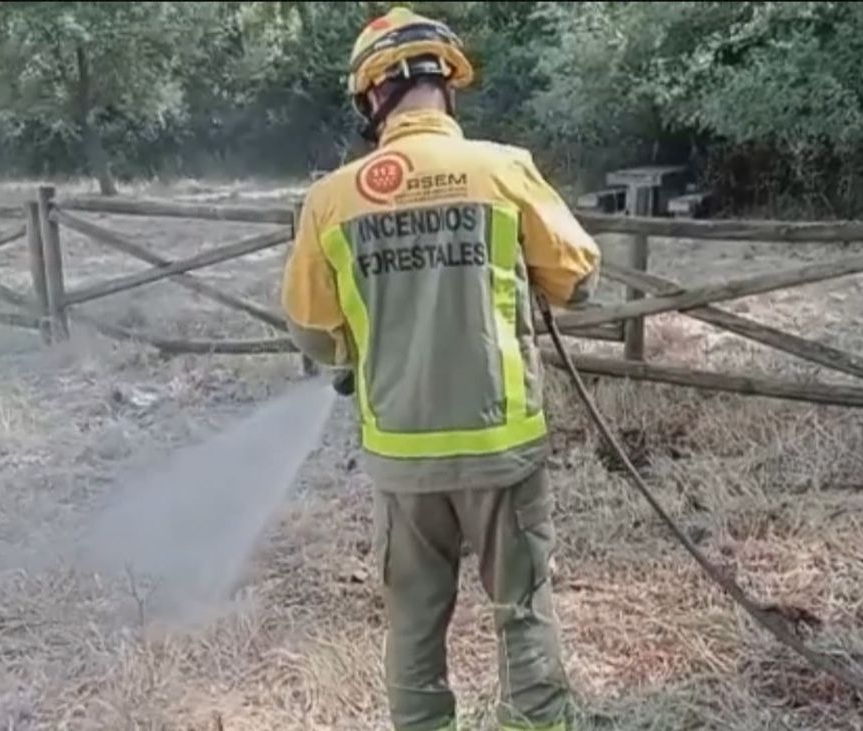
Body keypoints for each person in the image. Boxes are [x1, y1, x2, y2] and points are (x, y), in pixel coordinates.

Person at [280, 7, 601, 731]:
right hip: (501, 448)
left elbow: (310, 325)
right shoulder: (502, 169)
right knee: (522, 611)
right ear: (446, 85)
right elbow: (579, 279)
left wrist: (352, 352)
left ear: (372, 98)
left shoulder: (331, 199)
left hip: (402, 457)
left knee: (415, 626)